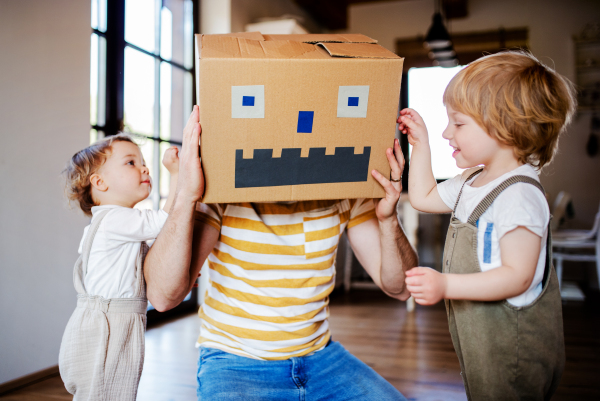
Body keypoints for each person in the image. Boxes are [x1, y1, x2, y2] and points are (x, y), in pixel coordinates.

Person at [143, 105, 419, 400]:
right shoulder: (221, 191)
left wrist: (388, 219)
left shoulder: (345, 188)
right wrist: (185, 193)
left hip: (320, 358)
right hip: (235, 363)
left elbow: (401, 288)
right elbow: (163, 296)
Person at [399, 51, 576, 400]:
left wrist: (445, 284)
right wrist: (421, 144)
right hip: (482, 341)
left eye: (459, 123)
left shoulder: (519, 194)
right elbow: (423, 197)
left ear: (506, 126)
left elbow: (517, 276)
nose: (448, 131)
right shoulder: (472, 181)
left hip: (513, 351)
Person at [59, 134, 179, 401]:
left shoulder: (114, 223)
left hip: (104, 321)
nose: (144, 168)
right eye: (130, 163)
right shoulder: (115, 219)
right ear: (100, 183)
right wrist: (177, 175)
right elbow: (168, 221)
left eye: (143, 162)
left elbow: (142, 264)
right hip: (108, 327)